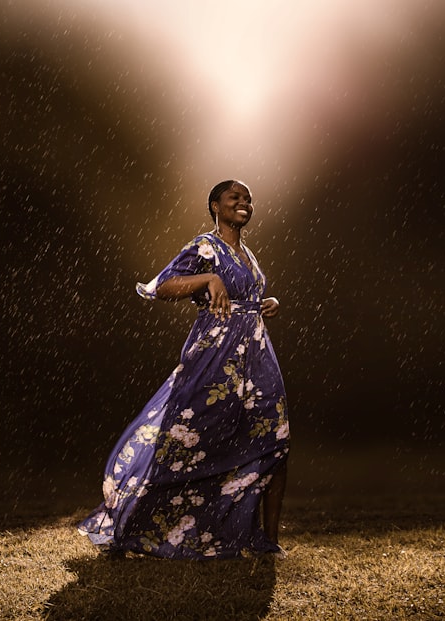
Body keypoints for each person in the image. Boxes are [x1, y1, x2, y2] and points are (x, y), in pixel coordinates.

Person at [78, 180, 290, 559]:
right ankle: (131, 528)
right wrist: (208, 278)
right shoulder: (204, 246)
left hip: (256, 357)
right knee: (184, 441)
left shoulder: (248, 255)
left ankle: (267, 542)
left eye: (248, 199)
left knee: (275, 440)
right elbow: (163, 286)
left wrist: (265, 300)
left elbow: (245, 296)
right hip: (215, 357)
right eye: (234, 198)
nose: (244, 203)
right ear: (215, 206)